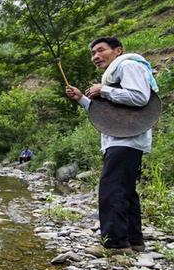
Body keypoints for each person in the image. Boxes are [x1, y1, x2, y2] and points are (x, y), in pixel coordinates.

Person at [66, 36, 157, 255]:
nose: (95, 56)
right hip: (123, 139)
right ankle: (134, 241)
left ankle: (116, 244)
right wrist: (81, 99)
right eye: (92, 53)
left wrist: (103, 91)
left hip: (125, 140)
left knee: (112, 189)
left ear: (118, 50)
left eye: (100, 50)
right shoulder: (115, 73)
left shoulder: (128, 65)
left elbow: (139, 97)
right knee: (125, 190)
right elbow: (109, 114)